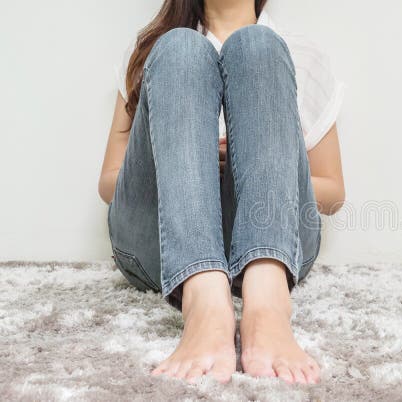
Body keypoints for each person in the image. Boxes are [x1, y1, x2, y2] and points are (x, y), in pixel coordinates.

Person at [97, 0, 345, 385]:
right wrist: (184, 162)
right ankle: (203, 300)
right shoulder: (150, 49)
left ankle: (267, 299)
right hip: (159, 241)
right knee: (180, 48)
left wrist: (248, 168)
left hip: (274, 232)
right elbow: (111, 183)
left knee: (257, 46)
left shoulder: (300, 56)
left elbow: (333, 191)